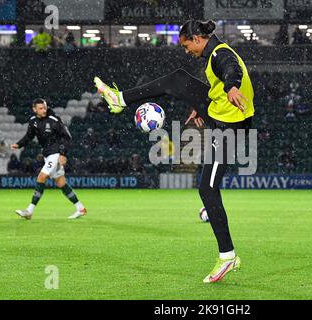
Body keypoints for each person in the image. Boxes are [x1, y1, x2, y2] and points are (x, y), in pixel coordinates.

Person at [93, 19, 255, 283]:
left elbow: (231, 69)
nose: (186, 50)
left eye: (186, 44)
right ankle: (119, 98)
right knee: (178, 78)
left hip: (229, 127)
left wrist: (231, 86)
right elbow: (217, 78)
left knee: (207, 188)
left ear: (196, 38)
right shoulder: (214, 50)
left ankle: (228, 255)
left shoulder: (220, 54)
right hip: (219, 111)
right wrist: (200, 104)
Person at [11, 98, 87, 220]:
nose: (43, 110)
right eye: (40, 108)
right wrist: (19, 144)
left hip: (55, 154)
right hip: (48, 155)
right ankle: (80, 208)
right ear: (34, 109)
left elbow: (67, 137)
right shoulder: (33, 121)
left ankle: (29, 211)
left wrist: (62, 154)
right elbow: (29, 136)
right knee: (61, 183)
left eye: (45, 107)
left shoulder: (54, 120)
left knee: (41, 177)